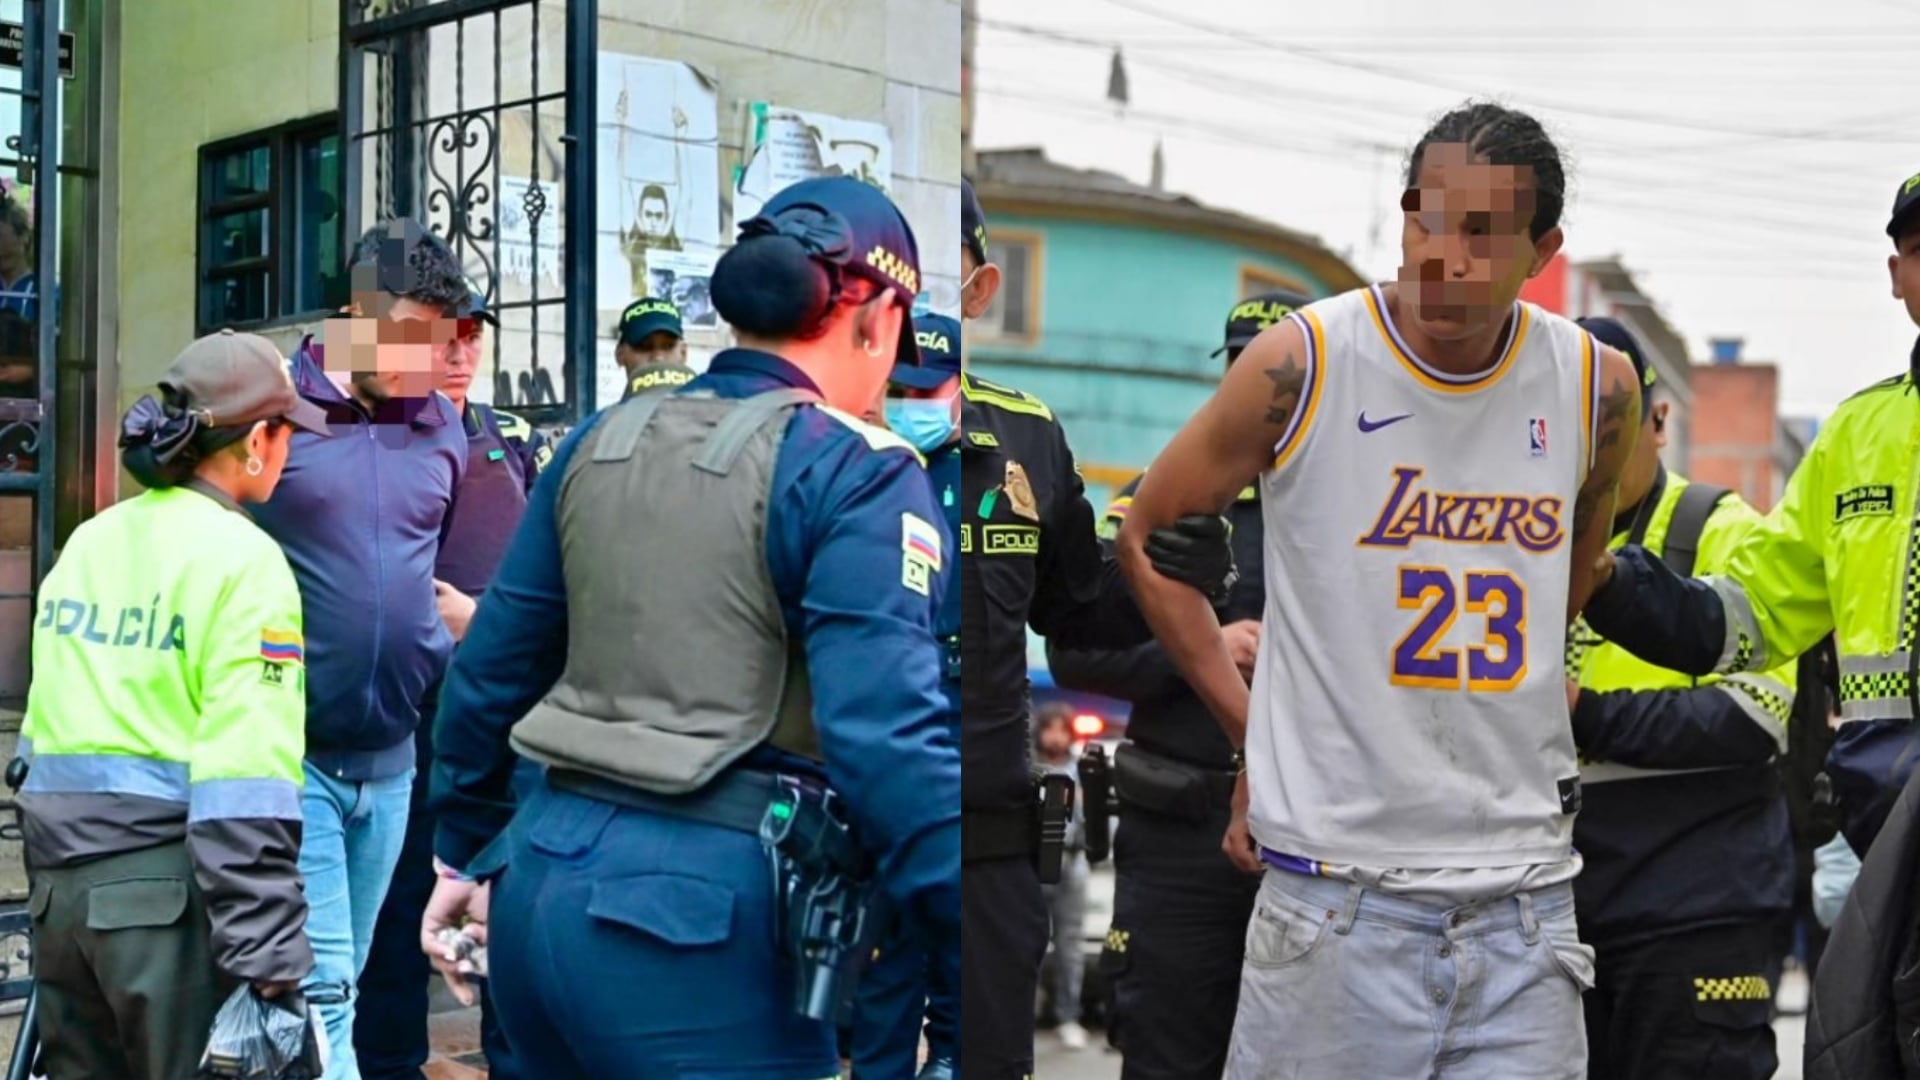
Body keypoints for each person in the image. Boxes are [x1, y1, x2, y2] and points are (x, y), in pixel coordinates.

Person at [1117, 102, 1642, 1077]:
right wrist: (1251, 731)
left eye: (1482, 232)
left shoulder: (1595, 389)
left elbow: (1576, 567)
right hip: (1336, 903)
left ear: (1543, 249)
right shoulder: (1301, 363)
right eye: (1425, 219)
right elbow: (1145, 534)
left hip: (1527, 903)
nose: (1443, 253)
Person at [421, 176, 959, 1078]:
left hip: (538, 893)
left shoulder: (602, 440)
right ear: (874, 316)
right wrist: (963, 928)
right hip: (699, 928)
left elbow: (492, 671)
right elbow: (887, 739)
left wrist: (461, 856)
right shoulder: (857, 469)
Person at [1574, 168, 1920, 1077]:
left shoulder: (1713, 515)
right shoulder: (1856, 436)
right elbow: (1750, 616)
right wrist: (1604, 579)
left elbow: (1747, 714)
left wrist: (1580, 711)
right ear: (1897, 275)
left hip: (1702, 890)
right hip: (1894, 848)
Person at [956, 177, 1235, 1080]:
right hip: (838, 825)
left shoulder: (1024, 436)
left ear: (979, 288)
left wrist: (1163, 561)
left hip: (983, 838)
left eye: (935, 273)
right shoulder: (813, 430)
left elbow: (1081, 611)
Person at [18, 330, 330, 1079]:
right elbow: (245, 782)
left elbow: (41, 734)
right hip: (164, 907)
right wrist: (273, 961)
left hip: (60, 903)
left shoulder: (92, 540)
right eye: (287, 431)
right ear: (258, 440)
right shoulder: (245, 562)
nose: (290, 451)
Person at [1046, 288, 1310, 1079]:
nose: (1260, 399)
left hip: (1314, 834)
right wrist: (1203, 648)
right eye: (1243, 375)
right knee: (1166, 1054)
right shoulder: (1162, 500)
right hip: (1179, 833)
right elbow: (1076, 656)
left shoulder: (1361, 507)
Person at [248, 218, 472, 1080]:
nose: (428, 363)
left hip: (393, 760)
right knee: (326, 982)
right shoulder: (275, 411)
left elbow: (420, 564)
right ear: (354, 317)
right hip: (292, 749)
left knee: (362, 966)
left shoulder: (440, 428)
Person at [1563, 316, 1799, 1080]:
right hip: (1551, 911)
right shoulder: (1521, 540)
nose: (1589, 454)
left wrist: (1583, 715)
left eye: (1610, 429)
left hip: (1694, 912)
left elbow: (1754, 716)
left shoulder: (1722, 529)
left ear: (1657, 421)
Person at [356, 283, 544, 1080]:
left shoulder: (511, 438)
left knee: (503, 900)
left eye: (474, 336)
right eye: (445, 338)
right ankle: (390, 1062)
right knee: (400, 907)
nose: (462, 352)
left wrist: (484, 620)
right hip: (407, 717)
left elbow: (547, 583)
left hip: (501, 718)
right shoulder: (372, 438)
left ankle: (509, 1056)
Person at [849, 311, 964, 1079]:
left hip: (964, 740)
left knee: (958, 948)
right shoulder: (862, 468)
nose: (911, 400)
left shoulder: (982, 474)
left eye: (928, 388)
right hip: (889, 733)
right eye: (899, 388)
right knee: (884, 947)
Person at [1033, 703, 1091, 1051]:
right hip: (1034, 866)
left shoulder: (1080, 771)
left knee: (1071, 947)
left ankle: (1069, 1016)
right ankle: (1028, 1012)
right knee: (1030, 944)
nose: (1055, 736)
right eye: (1049, 728)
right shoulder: (1028, 768)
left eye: (1062, 729)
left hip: (1072, 864)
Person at [614, 295, 697, 400]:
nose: (658, 357)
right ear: (620, 355)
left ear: (683, 353)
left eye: (668, 346)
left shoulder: (710, 412)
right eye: (644, 347)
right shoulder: (609, 416)